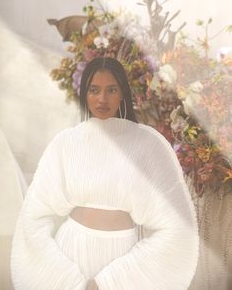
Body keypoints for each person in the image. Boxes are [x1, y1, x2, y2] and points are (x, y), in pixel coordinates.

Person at [11, 56, 199, 290]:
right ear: (84, 94)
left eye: (111, 90)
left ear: (122, 93)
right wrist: (65, 279)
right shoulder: (65, 143)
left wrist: (113, 281)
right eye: (94, 90)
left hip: (122, 257)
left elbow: (178, 227)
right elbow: (34, 217)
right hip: (70, 254)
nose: (102, 99)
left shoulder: (148, 144)